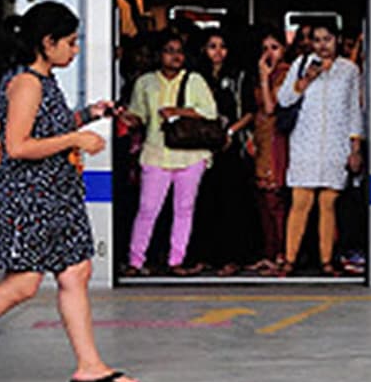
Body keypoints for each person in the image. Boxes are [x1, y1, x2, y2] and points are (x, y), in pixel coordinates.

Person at [0, 1, 141, 382]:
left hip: (58, 198)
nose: (75, 50)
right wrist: (76, 139)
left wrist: (90, 114)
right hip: (33, 199)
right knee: (24, 283)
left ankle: (90, 366)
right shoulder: (26, 83)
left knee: (76, 272)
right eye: (70, 42)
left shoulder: (44, 82)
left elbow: (46, 127)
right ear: (47, 43)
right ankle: (90, 365)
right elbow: (17, 145)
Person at [122, 30, 218, 276]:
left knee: (184, 209)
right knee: (147, 209)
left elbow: (210, 112)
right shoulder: (145, 82)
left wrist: (178, 111)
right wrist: (124, 116)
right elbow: (139, 116)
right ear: (159, 55)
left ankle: (177, 260)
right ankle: (135, 260)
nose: (175, 56)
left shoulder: (194, 80)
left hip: (191, 154)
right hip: (156, 153)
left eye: (179, 51)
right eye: (169, 51)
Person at [276, 20, 363, 276]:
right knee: (300, 202)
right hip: (306, 142)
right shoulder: (301, 65)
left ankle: (326, 261)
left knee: (328, 203)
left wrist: (355, 147)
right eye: (317, 40)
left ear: (337, 39)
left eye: (327, 39)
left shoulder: (349, 70)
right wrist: (306, 80)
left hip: (336, 144)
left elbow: (353, 111)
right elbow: (284, 99)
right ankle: (289, 259)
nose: (323, 45)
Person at [188, 29, 258, 276]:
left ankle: (232, 258)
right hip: (202, 147)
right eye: (212, 46)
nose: (217, 52)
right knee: (204, 203)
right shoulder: (196, 77)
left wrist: (229, 132)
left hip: (230, 147)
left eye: (222, 46)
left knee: (231, 203)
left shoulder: (239, 76)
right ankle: (203, 257)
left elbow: (250, 111)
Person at [247, 26, 290, 273]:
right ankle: (269, 252)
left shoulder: (284, 73)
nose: (269, 54)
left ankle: (282, 254)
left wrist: (264, 77)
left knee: (276, 200)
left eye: (274, 48)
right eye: (265, 49)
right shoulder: (266, 73)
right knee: (263, 201)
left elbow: (271, 106)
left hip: (277, 141)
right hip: (262, 139)